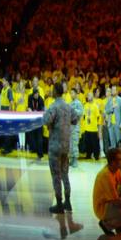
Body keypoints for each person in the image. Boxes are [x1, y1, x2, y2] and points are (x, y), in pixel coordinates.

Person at [43, 83, 80, 213]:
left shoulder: (53, 106)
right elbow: (76, 119)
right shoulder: (68, 107)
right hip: (66, 146)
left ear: (54, 92)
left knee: (56, 175)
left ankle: (59, 203)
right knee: (65, 174)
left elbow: (46, 120)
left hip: (55, 146)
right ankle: (68, 202)